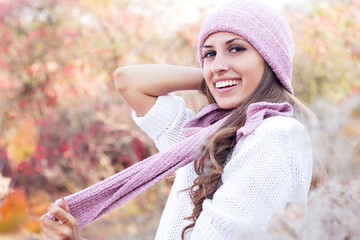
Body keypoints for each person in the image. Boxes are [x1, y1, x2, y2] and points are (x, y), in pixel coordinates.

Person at [40, 0, 314, 239]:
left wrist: (225, 76)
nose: (217, 63)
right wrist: (216, 78)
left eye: (236, 49)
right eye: (209, 53)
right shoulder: (203, 138)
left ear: (270, 59)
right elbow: (128, 81)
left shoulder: (276, 134)